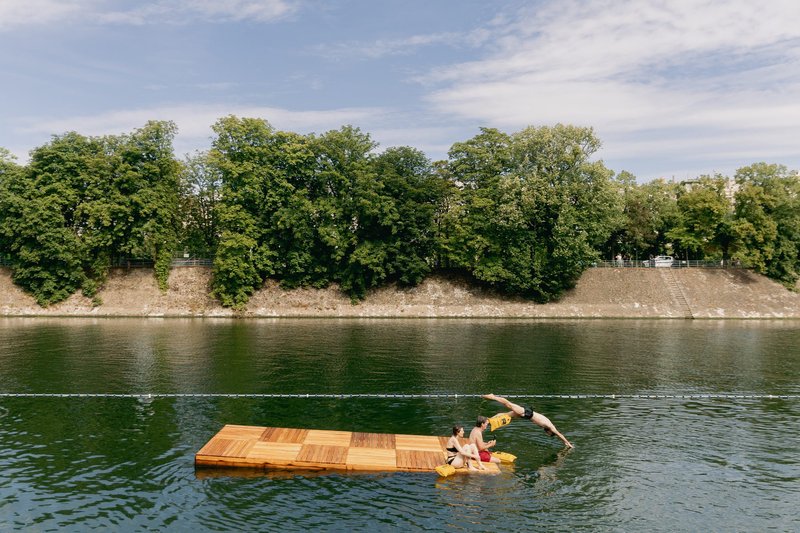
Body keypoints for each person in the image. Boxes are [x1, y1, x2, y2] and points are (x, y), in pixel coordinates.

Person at [482, 393, 574, 448]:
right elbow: (559, 434)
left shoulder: (547, 426)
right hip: (528, 413)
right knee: (508, 404)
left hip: (526, 416)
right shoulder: (551, 427)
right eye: (549, 434)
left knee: (505, 416)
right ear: (550, 432)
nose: (547, 434)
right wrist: (567, 442)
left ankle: (489, 420)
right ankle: (493, 396)